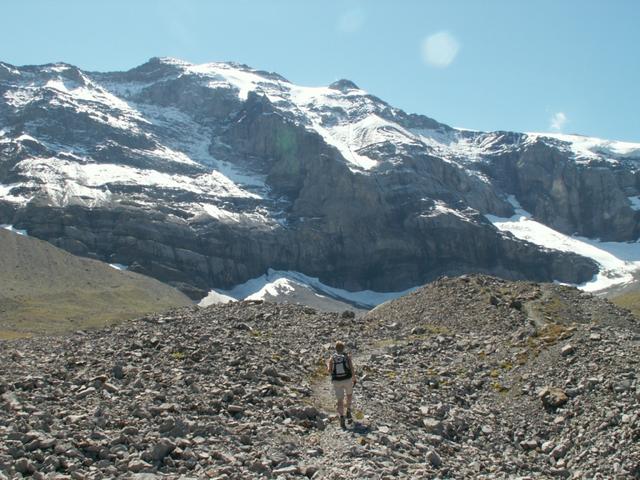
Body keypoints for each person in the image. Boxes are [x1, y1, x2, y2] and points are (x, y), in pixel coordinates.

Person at [326, 340, 356, 429]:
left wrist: (328, 364)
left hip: (337, 381)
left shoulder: (332, 358)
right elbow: (351, 368)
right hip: (347, 379)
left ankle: (342, 417)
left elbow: (329, 371)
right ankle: (348, 410)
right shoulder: (346, 357)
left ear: (335, 348)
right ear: (343, 348)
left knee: (340, 400)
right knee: (349, 395)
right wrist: (354, 378)